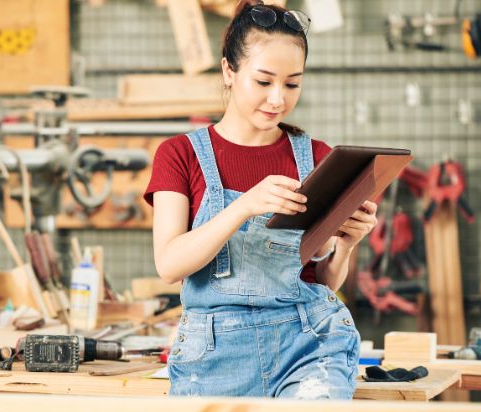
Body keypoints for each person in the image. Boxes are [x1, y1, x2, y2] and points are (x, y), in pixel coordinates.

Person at [143, 0, 378, 400]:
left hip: (309, 345)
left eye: (292, 84)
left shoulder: (317, 158)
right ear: (228, 71)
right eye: (264, 81)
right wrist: (243, 206)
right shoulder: (179, 154)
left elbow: (320, 280)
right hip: (214, 354)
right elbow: (169, 264)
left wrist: (346, 246)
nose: (277, 99)